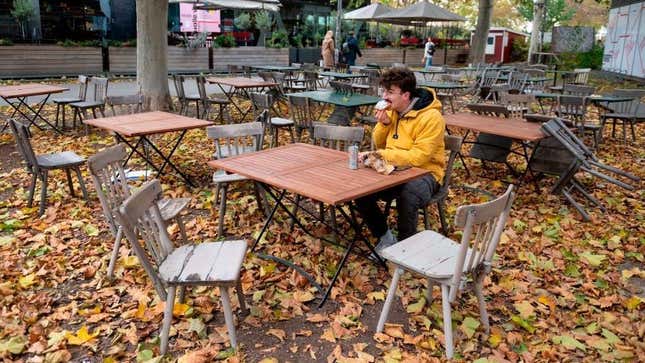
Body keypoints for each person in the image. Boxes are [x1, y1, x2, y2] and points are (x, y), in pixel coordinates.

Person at [356, 67, 446, 251]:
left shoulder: (432, 117)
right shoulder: (393, 111)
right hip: (394, 168)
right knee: (359, 189)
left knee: (410, 192)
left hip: (426, 172)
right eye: (384, 91)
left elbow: (419, 157)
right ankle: (385, 238)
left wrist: (382, 155)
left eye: (390, 92)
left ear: (406, 95)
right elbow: (378, 142)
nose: (384, 96)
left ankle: (406, 247)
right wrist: (384, 123)